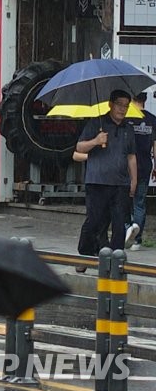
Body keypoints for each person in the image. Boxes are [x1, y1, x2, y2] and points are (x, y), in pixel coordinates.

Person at [76, 90, 137, 262]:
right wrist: (96, 141)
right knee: (95, 222)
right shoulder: (97, 123)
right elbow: (79, 148)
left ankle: (115, 258)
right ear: (110, 104)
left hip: (120, 184)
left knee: (119, 224)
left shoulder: (129, 128)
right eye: (119, 104)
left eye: (126, 105)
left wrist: (134, 180)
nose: (122, 109)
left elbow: (131, 157)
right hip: (97, 182)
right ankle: (85, 254)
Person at [125, 92, 156, 251]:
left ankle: (127, 230)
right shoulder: (152, 119)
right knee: (140, 203)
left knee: (124, 201)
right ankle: (137, 240)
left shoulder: (127, 118)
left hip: (126, 166)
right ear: (145, 100)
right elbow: (155, 146)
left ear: (132, 99)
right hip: (145, 166)